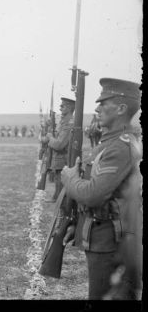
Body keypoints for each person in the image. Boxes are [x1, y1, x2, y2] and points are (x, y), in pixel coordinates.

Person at [61, 78, 142, 300]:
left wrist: (69, 179)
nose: (97, 108)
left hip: (112, 240)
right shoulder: (109, 143)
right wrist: (77, 224)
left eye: (104, 103)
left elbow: (93, 194)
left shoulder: (121, 146)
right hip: (101, 233)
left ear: (122, 108)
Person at [42, 96, 75, 202]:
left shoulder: (69, 124)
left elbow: (59, 145)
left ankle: (59, 199)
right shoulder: (62, 122)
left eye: (62, 106)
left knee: (60, 179)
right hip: (58, 158)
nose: (60, 108)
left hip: (64, 158)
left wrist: (50, 137)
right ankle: (57, 197)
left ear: (69, 108)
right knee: (57, 178)